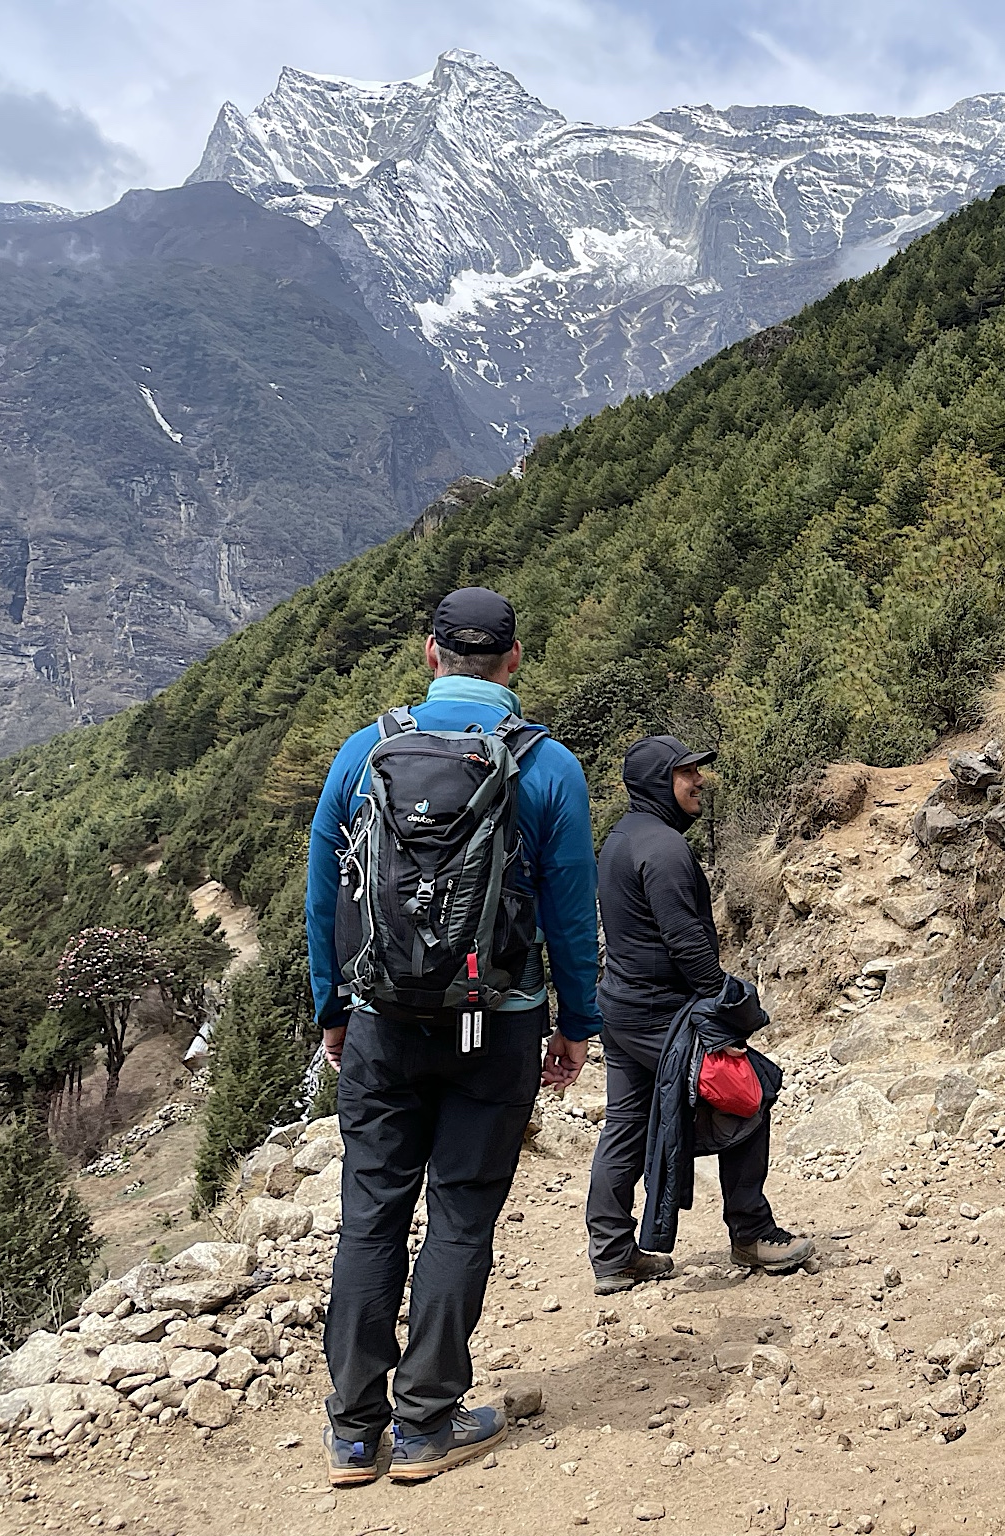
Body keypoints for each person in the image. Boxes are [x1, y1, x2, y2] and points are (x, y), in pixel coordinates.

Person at [304, 587, 600, 1486]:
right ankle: (427, 1423)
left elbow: (324, 890)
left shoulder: (365, 752)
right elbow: (571, 913)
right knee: (461, 1214)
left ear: (429, 654)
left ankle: (355, 1434)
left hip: (383, 1023)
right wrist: (577, 1024)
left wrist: (331, 1009)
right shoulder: (547, 768)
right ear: (514, 661)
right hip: (496, 1024)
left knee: (372, 1216)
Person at [586, 734, 813, 1292]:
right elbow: (687, 943)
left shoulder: (621, 839)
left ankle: (613, 1254)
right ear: (659, 781)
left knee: (626, 1123)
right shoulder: (663, 849)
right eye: (687, 773)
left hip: (621, 1008)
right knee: (750, 1092)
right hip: (664, 1016)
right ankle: (753, 1234)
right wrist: (723, 1015)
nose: (699, 781)